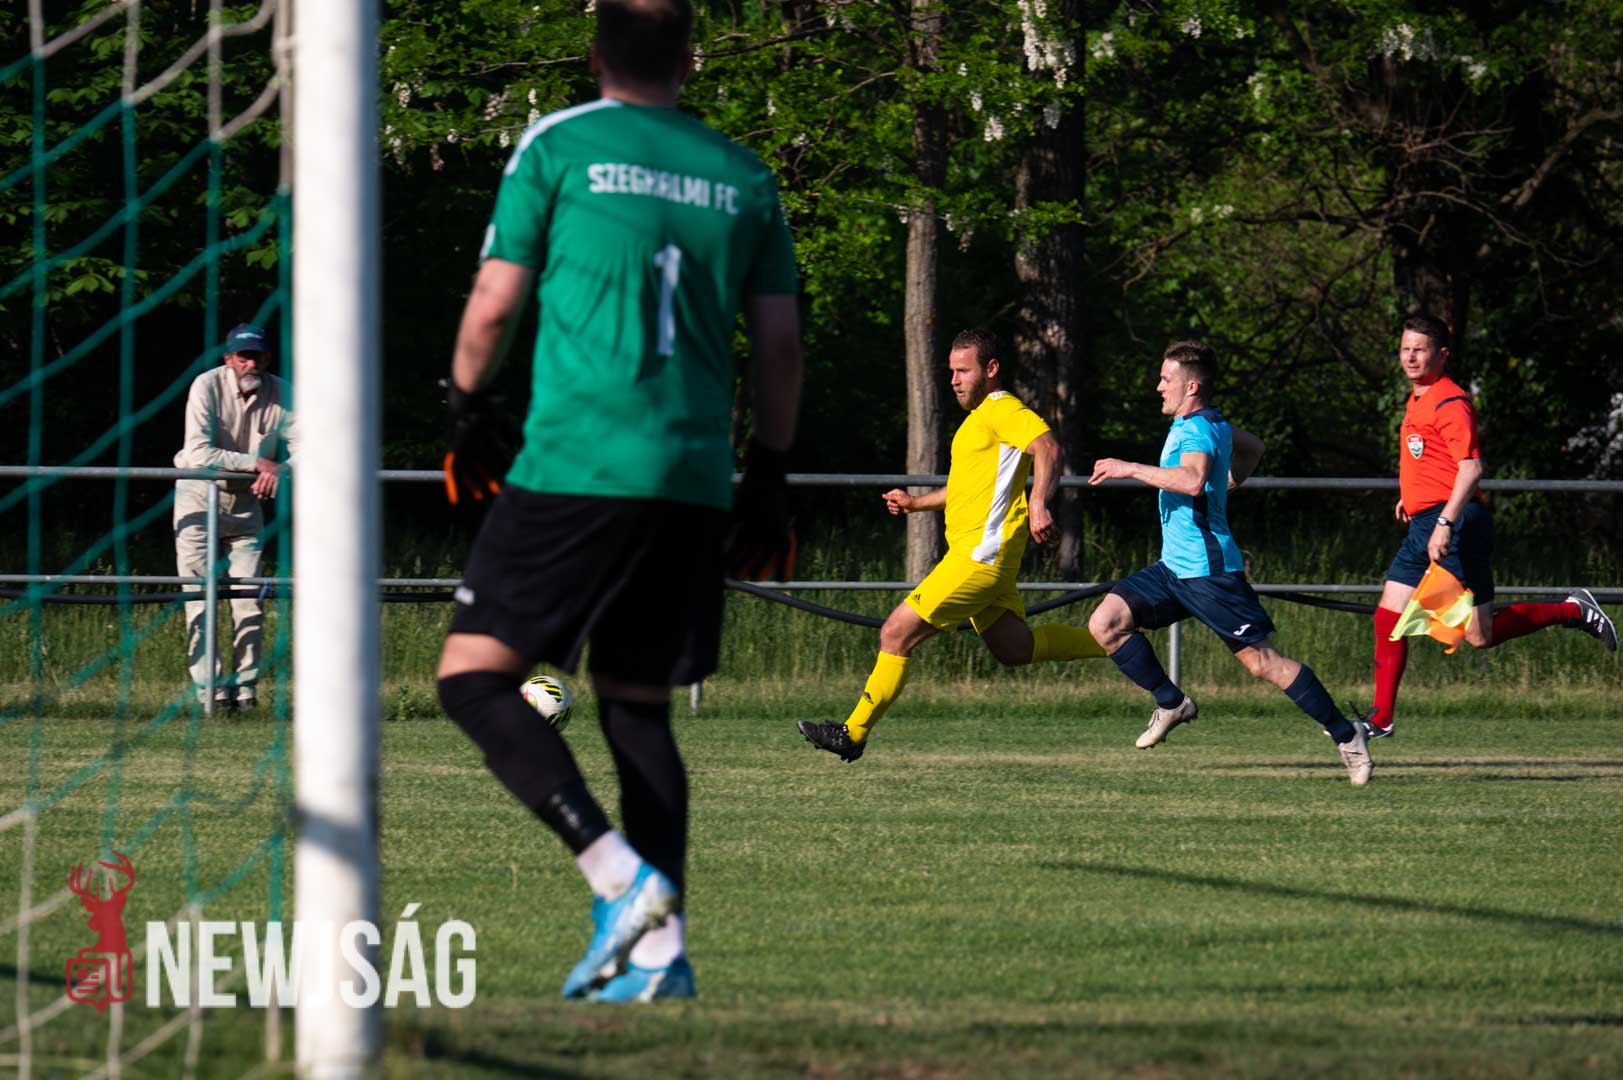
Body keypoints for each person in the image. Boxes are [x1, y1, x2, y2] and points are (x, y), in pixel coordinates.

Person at [435, 0, 802, 1005]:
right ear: (690, 60)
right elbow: (779, 346)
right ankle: (658, 959)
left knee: (471, 680)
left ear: (596, 55)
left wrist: (466, 409)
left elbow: (494, 305)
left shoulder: (559, 144)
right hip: (691, 480)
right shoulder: (742, 174)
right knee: (637, 710)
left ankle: (617, 877)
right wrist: (769, 474)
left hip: (577, 465)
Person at [796, 328, 1106, 763]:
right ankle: (1113, 640)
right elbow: (964, 489)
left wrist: (1039, 504)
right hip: (983, 558)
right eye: (951, 372)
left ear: (991, 369)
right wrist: (916, 504)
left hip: (978, 557)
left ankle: (853, 733)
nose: (955, 380)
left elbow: (1049, 448)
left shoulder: (1003, 409)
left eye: (964, 370)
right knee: (1015, 649)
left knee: (895, 632)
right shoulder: (977, 421)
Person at [1087, 340, 1373, 785]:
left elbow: (1192, 480)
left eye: (1166, 379)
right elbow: (1254, 447)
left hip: (1209, 572)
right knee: (1106, 623)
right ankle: (1171, 702)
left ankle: (1347, 734)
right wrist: (1229, 482)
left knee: (1263, 663)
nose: (1158, 386)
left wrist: (1130, 468)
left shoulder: (1197, 429)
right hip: (1173, 569)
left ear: (1191, 386)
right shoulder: (1208, 421)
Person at [1358, 314, 1615, 738]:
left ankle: (1573, 609)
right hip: (1428, 521)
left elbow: (1472, 468)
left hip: (1454, 524)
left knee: (1469, 632)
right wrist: (1413, 495)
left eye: (1420, 349)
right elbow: (1432, 459)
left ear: (1442, 354)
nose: (1411, 357)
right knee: (1398, 618)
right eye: (1405, 349)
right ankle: (1381, 718)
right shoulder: (1418, 398)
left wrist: (1444, 520)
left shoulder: (1450, 401)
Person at [173, 322, 295, 711]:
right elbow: (197, 453)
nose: (250, 363)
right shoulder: (206, 385)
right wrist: (256, 463)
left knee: (249, 599)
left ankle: (245, 693)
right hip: (198, 497)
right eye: (243, 356)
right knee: (199, 597)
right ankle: (210, 694)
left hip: (246, 503)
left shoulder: (283, 392)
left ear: (267, 358)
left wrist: (282, 469)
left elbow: (312, 445)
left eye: (256, 356)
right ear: (228, 359)